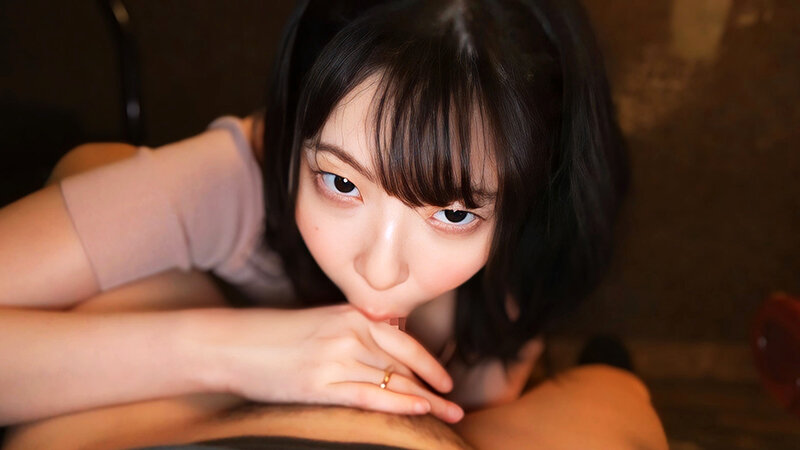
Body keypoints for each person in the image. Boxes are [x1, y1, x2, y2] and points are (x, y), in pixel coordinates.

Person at [0, 0, 667, 448]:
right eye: (342, 183)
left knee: (602, 391)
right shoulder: (228, 181)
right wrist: (238, 353)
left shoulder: (534, 241)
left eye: (453, 213)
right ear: (296, 128)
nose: (381, 266)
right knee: (96, 167)